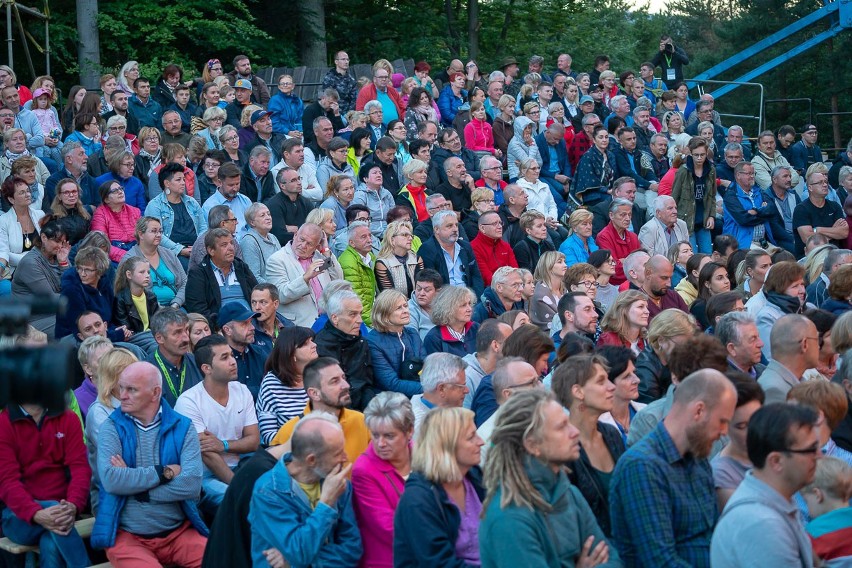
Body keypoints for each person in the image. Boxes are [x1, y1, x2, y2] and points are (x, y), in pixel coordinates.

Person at [478, 388, 616, 567]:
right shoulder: (509, 517)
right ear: (532, 444)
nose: (574, 432)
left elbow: (610, 557)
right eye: (561, 427)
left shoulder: (569, 493)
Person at [610, 369, 736, 566]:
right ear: (699, 411)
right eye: (722, 422)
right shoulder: (642, 466)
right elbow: (660, 561)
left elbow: (712, 533)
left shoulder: (697, 457)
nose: (724, 432)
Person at [91, 361, 208, 565]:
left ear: (155, 393)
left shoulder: (183, 426)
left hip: (179, 532)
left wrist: (138, 489)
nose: (122, 395)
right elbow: (111, 480)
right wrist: (164, 473)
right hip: (128, 536)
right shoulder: (111, 428)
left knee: (221, 559)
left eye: (131, 389)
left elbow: (191, 485)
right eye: (121, 388)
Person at [0, 372, 92, 568]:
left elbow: (80, 468)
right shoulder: (4, 425)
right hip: (18, 516)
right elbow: (7, 482)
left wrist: (74, 504)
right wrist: (36, 513)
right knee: (54, 517)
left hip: (64, 510)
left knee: (51, 541)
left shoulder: (68, 418)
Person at [710, 403, 819, 567]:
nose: (819, 456)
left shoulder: (775, 500)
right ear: (776, 461)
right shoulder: (762, 524)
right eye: (810, 450)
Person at [248, 413, 361, 567]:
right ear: (311, 460)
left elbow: (352, 549)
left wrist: (298, 563)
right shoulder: (268, 492)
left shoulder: (338, 483)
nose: (345, 457)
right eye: (337, 453)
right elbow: (298, 551)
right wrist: (326, 505)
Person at [174, 334, 259, 515]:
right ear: (207, 368)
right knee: (242, 501)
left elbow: (254, 440)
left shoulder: (241, 391)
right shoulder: (189, 402)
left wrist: (224, 444)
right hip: (205, 476)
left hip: (243, 465)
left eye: (231, 355)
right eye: (224, 357)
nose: (233, 361)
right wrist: (239, 487)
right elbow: (208, 456)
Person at [393, 406, 484, 567]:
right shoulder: (418, 500)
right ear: (447, 447)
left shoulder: (475, 477)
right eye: (471, 437)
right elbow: (438, 563)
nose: (481, 441)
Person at [550, 354, 625, 537]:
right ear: (578, 392)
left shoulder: (611, 434)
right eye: (601, 382)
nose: (612, 386)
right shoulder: (562, 448)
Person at [314, 290, 378, 411]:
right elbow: (332, 392)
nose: (360, 320)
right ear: (335, 318)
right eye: (353, 315)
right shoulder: (321, 346)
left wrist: (373, 411)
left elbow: (366, 384)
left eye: (360, 314)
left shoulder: (360, 342)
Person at [710, 375, 765, 510]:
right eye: (741, 426)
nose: (752, 431)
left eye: (757, 419)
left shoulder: (772, 450)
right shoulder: (721, 475)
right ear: (725, 426)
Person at [184, 228, 257, 329]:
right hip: (221, 328)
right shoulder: (199, 273)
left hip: (251, 322)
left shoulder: (241, 267)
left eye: (231, 243)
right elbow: (197, 309)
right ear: (211, 251)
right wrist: (217, 327)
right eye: (224, 245)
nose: (231, 248)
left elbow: (257, 293)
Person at [256, 326, 317, 445]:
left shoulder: (320, 374)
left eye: (312, 340)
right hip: (289, 452)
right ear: (291, 352)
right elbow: (269, 436)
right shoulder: (271, 384)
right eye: (305, 343)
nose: (314, 345)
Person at [144, 307, 204, 407]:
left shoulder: (197, 362)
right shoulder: (145, 371)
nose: (186, 338)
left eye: (186, 330)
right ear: (160, 338)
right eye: (177, 333)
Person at [417, 210, 485, 298]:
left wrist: (477, 299)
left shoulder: (465, 246)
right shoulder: (427, 249)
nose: (455, 229)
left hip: (468, 298)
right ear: (437, 229)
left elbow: (476, 276)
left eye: (456, 225)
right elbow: (432, 284)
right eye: (449, 226)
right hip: (445, 301)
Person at [759, 314, 821, 404]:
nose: (819, 346)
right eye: (817, 340)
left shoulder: (791, 381)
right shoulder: (775, 390)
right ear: (804, 344)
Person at [671, 136, 716, 254]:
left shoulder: (711, 170)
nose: (700, 158)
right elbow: (674, 197)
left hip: (704, 219)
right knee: (692, 256)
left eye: (702, 154)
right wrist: (673, 219)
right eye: (696, 155)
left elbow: (712, 195)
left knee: (707, 254)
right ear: (690, 153)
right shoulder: (683, 171)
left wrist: (712, 215)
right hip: (685, 220)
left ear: (707, 153)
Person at [794, 169, 848, 257]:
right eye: (820, 182)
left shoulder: (834, 206)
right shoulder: (801, 209)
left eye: (826, 182)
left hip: (834, 255)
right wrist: (833, 231)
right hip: (811, 257)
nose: (825, 185)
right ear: (810, 187)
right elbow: (808, 238)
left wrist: (817, 230)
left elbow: (844, 233)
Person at [423, 285, 480, 356]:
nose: (469, 309)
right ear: (449, 309)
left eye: (469, 304)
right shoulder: (434, 338)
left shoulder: (476, 328)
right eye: (463, 305)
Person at [595, 199, 640, 286]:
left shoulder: (633, 237)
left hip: (634, 283)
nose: (627, 218)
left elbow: (640, 264)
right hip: (614, 285)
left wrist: (623, 261)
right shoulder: (604, 237)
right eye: (623, 215)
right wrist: (630, 263)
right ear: (611, 215)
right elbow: (614, 270)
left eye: (629, 215)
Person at [597, 289, 649, 354]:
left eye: (647, 307)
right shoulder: (608, 339)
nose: (647, 312)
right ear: (624, 310)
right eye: (641, 307)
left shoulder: (647, 340)